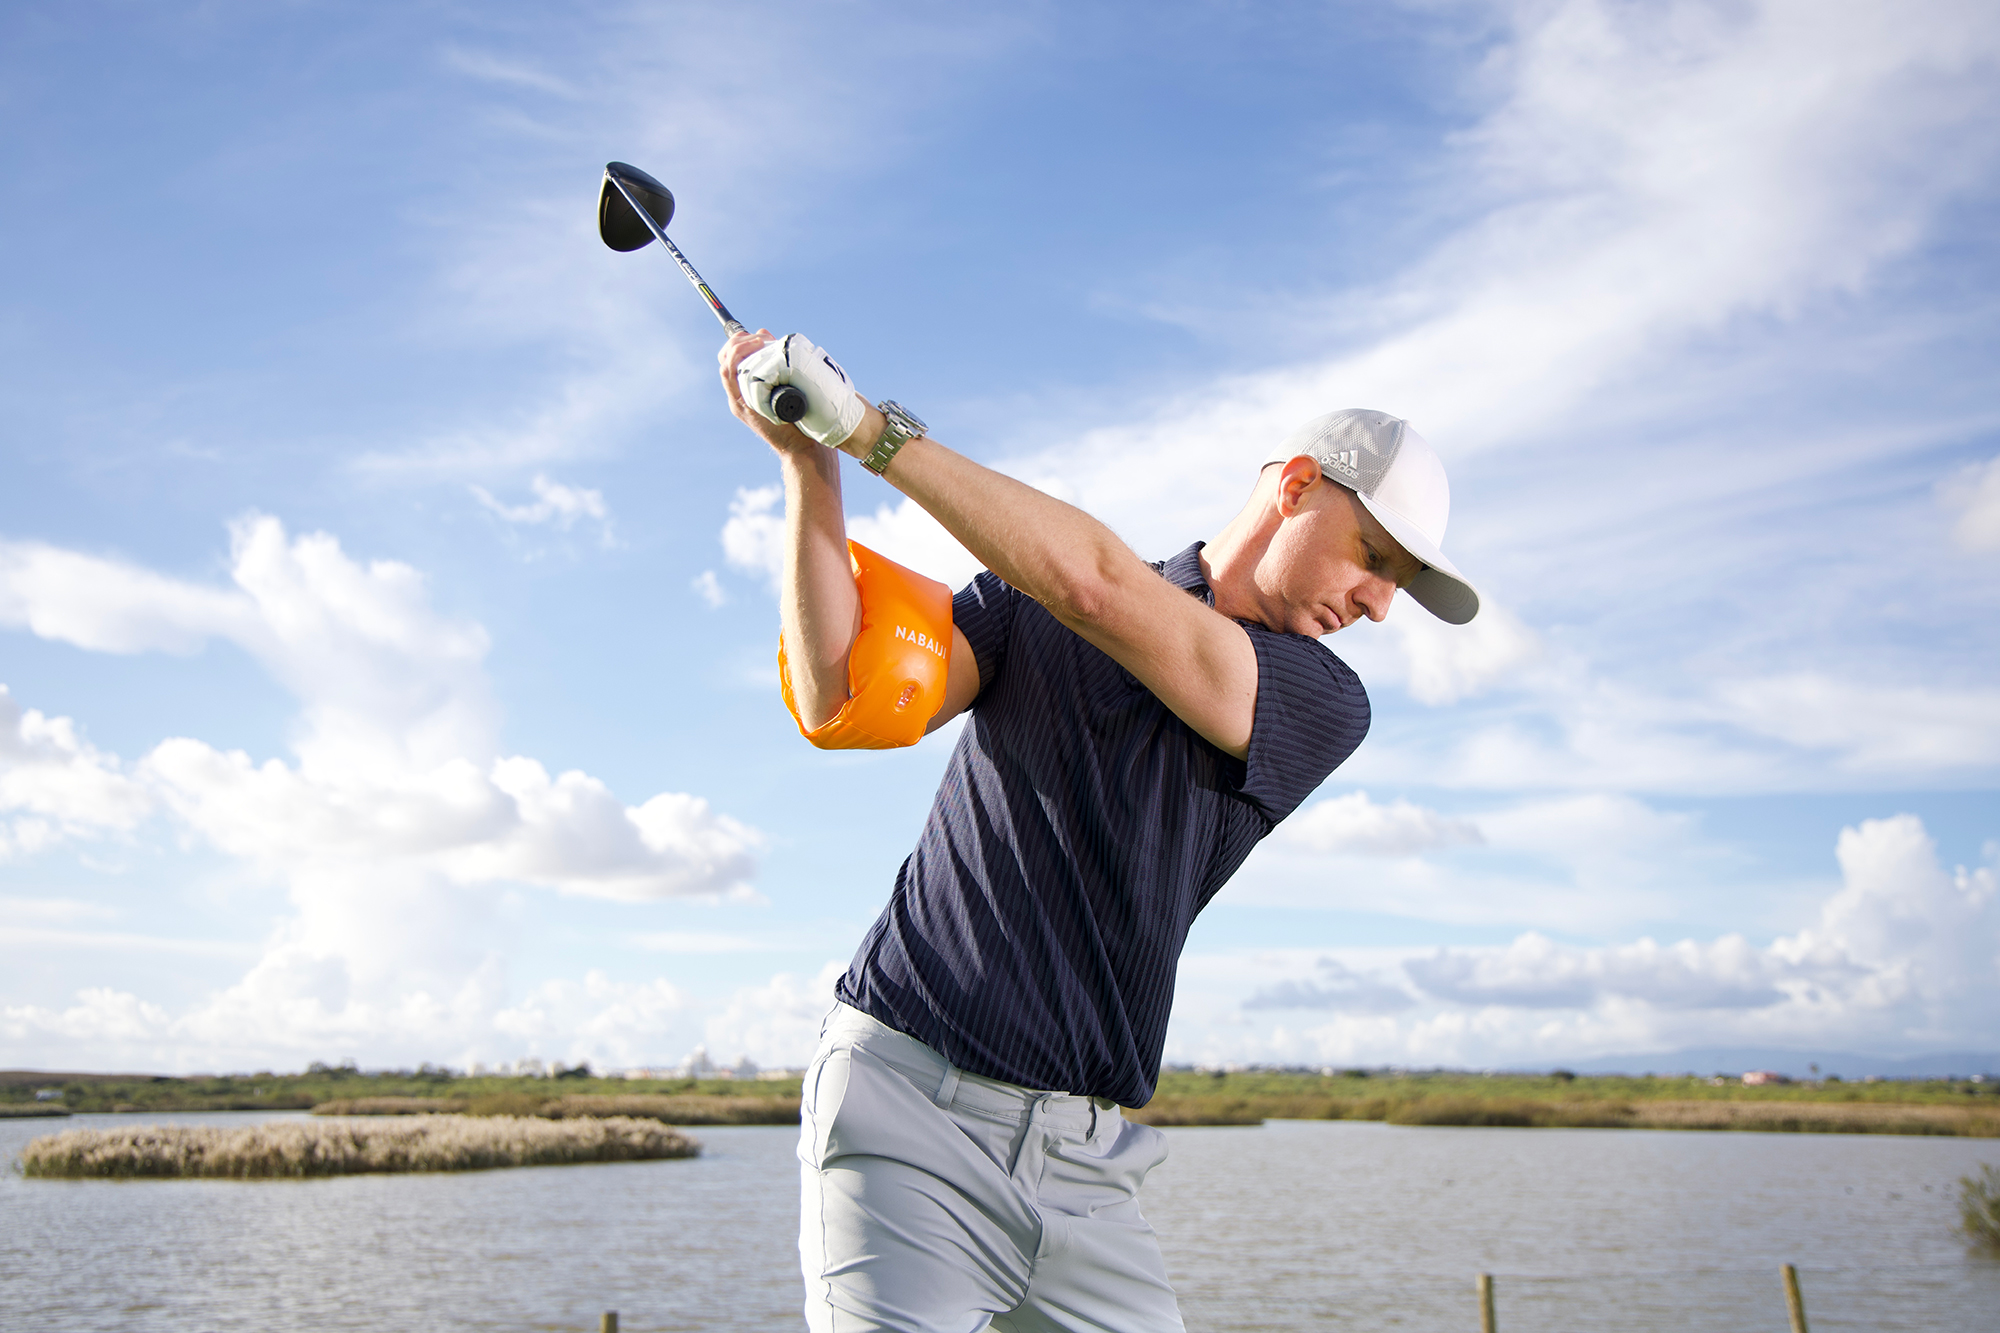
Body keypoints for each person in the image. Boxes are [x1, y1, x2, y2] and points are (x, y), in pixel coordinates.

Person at [718, 330, 1480, 1333]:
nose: (1379, 604)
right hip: (907, 1111)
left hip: (1084, 1161)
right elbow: (837, 701)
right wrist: (811, 468)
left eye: (1397, 584)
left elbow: (1095, 589)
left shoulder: (1320, 700)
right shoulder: (1027, 603)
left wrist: (866, 429)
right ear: (1295, 484)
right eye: (1374, 559)